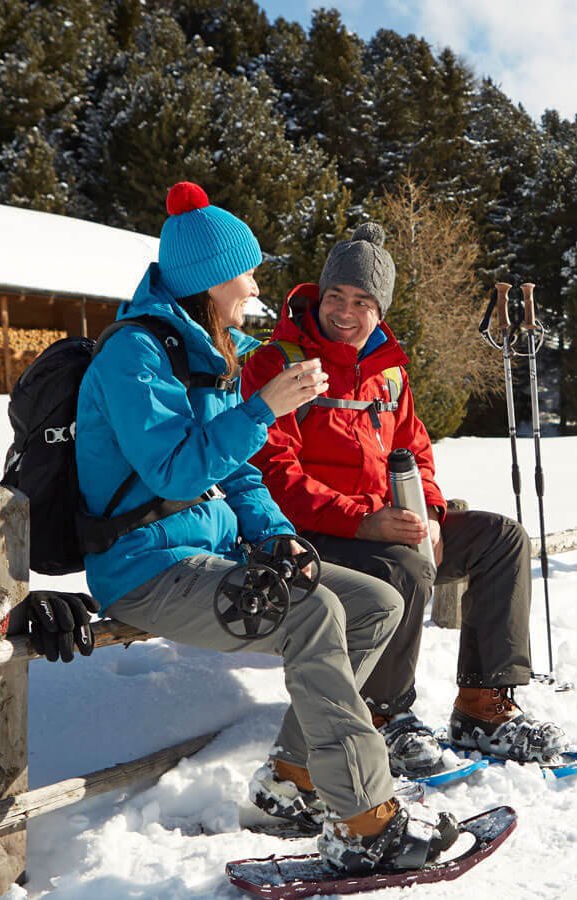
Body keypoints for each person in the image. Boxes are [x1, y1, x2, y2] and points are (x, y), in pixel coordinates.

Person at [76, 183, 454, 873]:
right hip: (148, 570)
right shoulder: (136, 358)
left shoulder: (209, 350)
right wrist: (263, 408)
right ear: (213, 280)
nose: (256, 284)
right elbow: (175, 473)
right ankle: (366, 817)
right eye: (246, 271)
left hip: (210, 553)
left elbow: (241, 472)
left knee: (377, 603)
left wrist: (280, 537)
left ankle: (293, 779)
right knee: (311, 613)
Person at [240, 224, 568, 778]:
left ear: (380, 308)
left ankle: (482, 706)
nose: (345, 312)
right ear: (320, 295)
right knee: (405, 562)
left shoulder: (388, 371)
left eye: (362, 301)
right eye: (337, 297)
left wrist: (433, 514)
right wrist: (366, 522)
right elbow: (274, 474)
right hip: (305, 534)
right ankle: (384, 714)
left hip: (383, 521)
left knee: (502, 538)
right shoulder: (279, 364)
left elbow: (414, 449)